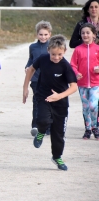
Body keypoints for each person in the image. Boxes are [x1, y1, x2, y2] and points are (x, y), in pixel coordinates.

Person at [23, 35, 78, 171]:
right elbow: (31, 69)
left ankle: (57, 157)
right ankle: (41, 132)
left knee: (58, 134)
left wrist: (59, 96)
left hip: (60, 103)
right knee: (42, 120)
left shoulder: (65, 66)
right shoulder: (42, 59)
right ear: (48, 50)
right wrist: (25, 88)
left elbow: (74, 87)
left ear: (64, 51)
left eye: (59, 54)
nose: (56, 57)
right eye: (53, 54)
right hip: (44, 97)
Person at [70, 23, 99, 140]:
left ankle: (95, 127)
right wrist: (76, 73)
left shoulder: (97, 49)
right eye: (83, 33)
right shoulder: (78, 49)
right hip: (82, 84)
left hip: (96, 83)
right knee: (86, 107)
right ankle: (88, 129)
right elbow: (72, 64)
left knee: (93, 105)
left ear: (94, 35)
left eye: (88, 33)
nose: (85, 35)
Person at [25, 20, 52, 137]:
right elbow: (31, 60)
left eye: (46, 34)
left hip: (50, 80)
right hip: (36, 79)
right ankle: (35, 126)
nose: (43, 37)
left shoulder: (52, 46)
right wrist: (27, 67)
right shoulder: (33, 47)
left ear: (50, 34)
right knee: (37, 102)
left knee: (49, 102)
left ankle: (48, 126)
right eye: (41, 34)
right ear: (37, 34)